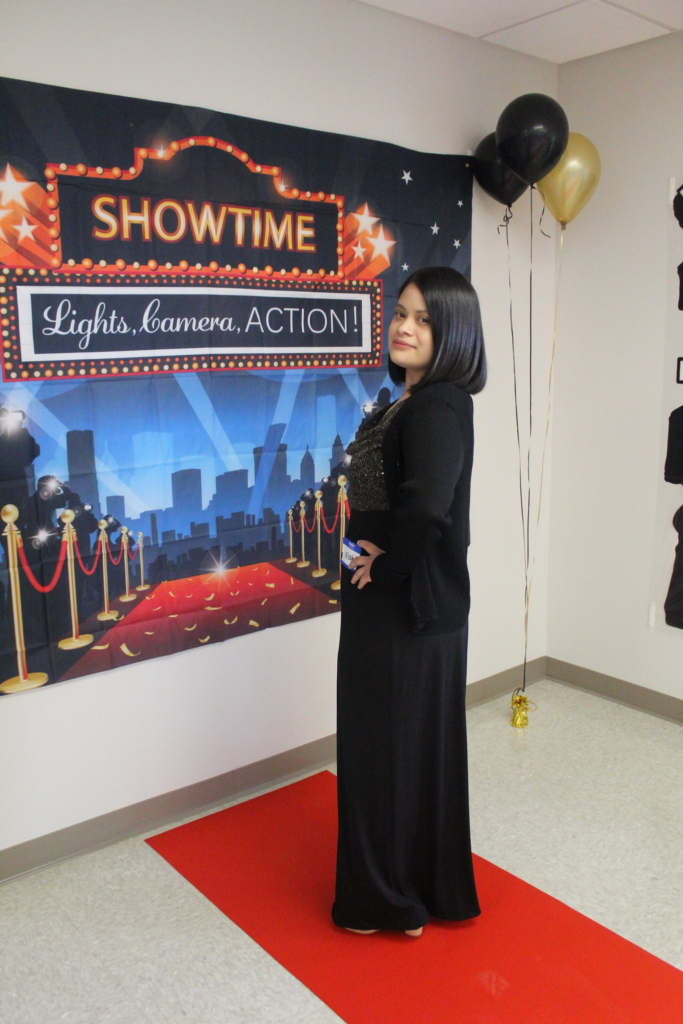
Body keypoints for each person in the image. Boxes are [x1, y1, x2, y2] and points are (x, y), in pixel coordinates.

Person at [332, 266, 487, 938]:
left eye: (424, 318)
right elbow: (385, 499)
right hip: (383, 599)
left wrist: (385, 569)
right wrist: (361, 562)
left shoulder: (440, 404)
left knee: (382, 750)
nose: (404, 326)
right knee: (393, 748)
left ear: (452, 330)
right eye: (400, 312)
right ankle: (413, 884)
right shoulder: (401, 399)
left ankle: (384, 900)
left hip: (405, 605)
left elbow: (428, 507)